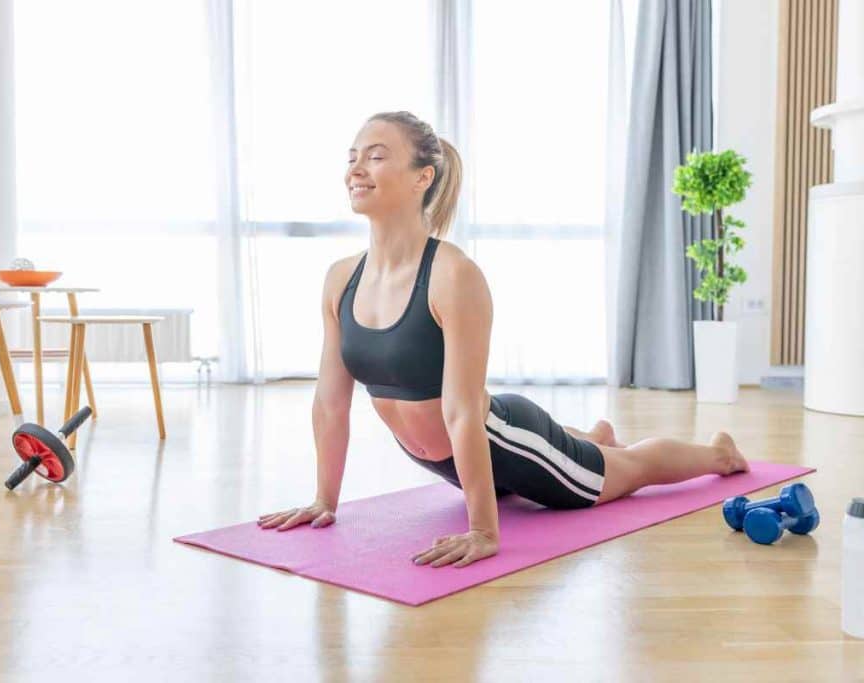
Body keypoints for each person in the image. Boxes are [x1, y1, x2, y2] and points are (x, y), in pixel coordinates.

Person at [257, 111, 749, 569]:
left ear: (421, 177)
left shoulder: (453, 275)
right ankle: (590, 437)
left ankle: (717, 453)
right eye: (352, 156)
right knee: (566, 457)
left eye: (376, 155)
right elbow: (329, 404)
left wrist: (483, 530)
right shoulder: (341, 278)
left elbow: (462, 412)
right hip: (449, 457)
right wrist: (324, 501)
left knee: (628, 471)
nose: (356, 168)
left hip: (504, 440)